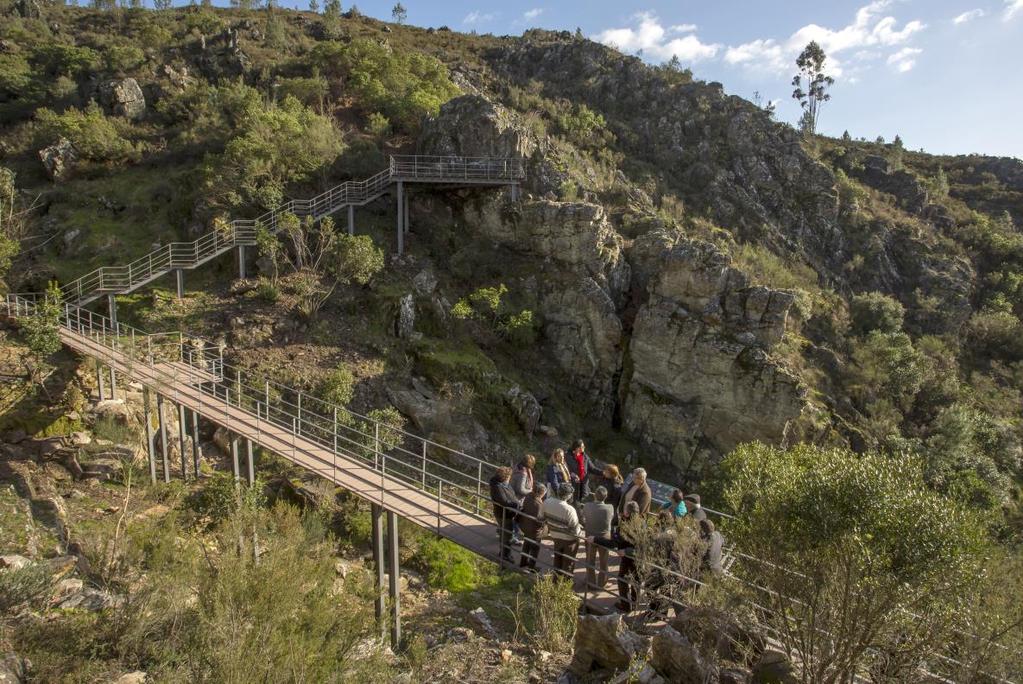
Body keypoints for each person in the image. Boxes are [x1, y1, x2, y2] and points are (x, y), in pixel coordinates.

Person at [543, 482, 582, 580]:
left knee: (557, 559)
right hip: (569, 540)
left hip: (555, 536)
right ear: (568, 496)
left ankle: (555, 581)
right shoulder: (570, 509)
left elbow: (540, 517)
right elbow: (576, 532)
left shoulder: (547, 501)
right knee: (568, 563)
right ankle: (565, 586)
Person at [581, 485, 614, 589]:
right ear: (606, 496)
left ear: (594, 495)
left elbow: (584, 517)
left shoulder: (587, 506)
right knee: (603, 561)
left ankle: (590, 582)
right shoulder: (610, 507)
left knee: (590, 559)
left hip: (590, 535)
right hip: (604, 537)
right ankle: (602, 583)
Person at [489, 466, 519, 562]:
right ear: (505, 477)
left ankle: (503, 553)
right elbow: (504, 501)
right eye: (509, 476)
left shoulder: (504, 484)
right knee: (507, 536)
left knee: (505, 534)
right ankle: (505, 556)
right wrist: (516, 504)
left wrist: (516, 503)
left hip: (508, 513)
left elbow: (511, 495)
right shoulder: (497, 486)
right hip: (503, 514)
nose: (510, 477)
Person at [518, 483, 546, 571]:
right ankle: (532, 567)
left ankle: (523, 562)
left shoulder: (529, 496)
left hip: (525, 525)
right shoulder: (539, 505)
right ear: (541, 493)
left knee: (526, 544)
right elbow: (539, 521)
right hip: (534, 530)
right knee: (535, 548)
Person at [510, 455, 536, 542]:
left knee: (514, 517)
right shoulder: (523, 473)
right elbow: (520, 489)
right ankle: (514, 536)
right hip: (518, 499)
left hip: (513, 497)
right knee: (516, 517)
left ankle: (509, 533)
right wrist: (531, 492)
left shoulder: (518, 467)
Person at [568, 439, 594, 504]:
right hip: (573, 487)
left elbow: (592, 468)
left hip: (583, 487)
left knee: (583, 506)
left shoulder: (585, 456)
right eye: (582, 446)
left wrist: (603, 472)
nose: (584, 448)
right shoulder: (568, 456)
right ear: (577, 448)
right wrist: (572, 475)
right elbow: (566, 470)